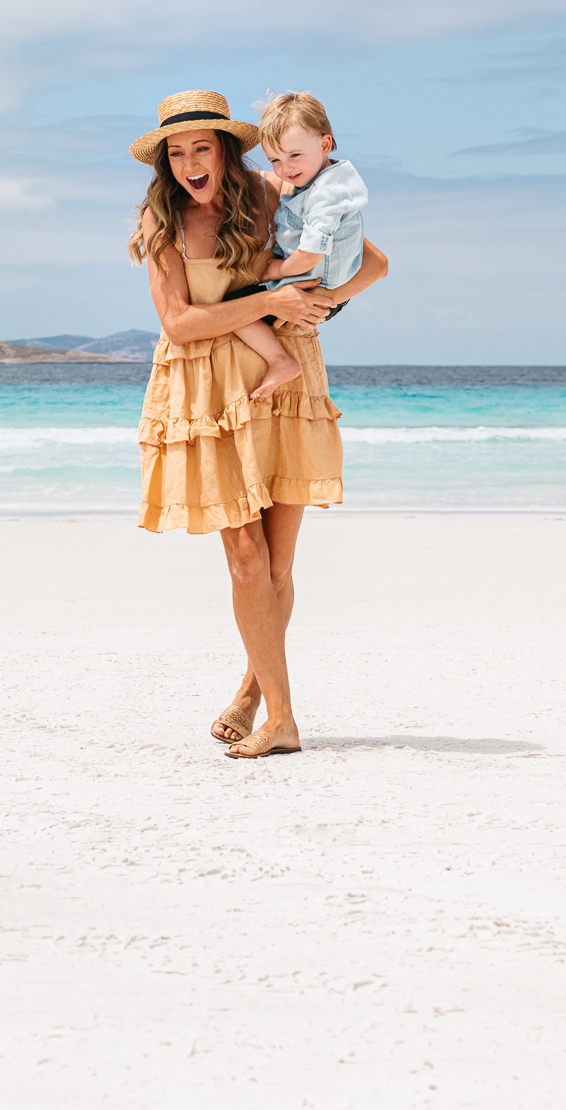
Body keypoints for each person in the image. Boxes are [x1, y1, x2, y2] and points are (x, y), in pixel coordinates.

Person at [126, 91, 389, 759]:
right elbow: (180, 323)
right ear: (165, 162)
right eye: (177, 152)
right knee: (246, 559)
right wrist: (274, 298)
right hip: (210, 394)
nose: (190, 162)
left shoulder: (271, 195)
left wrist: (320, 304)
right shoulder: (163, 223)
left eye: (202, 148)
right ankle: (284, 717)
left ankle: (251, 695)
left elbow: (373, 263)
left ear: (225, 150)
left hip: (287, 381)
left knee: (276, 566)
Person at [220, 92, 371, 400]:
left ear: (324, 144)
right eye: (275, 159)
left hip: (313, 285)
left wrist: (279, 268)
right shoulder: (326, 182)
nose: (285, 168)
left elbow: (312, 251)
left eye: (294, 155)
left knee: (234, 306)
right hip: (324, 287)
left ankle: (280, 361)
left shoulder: (324, 195)